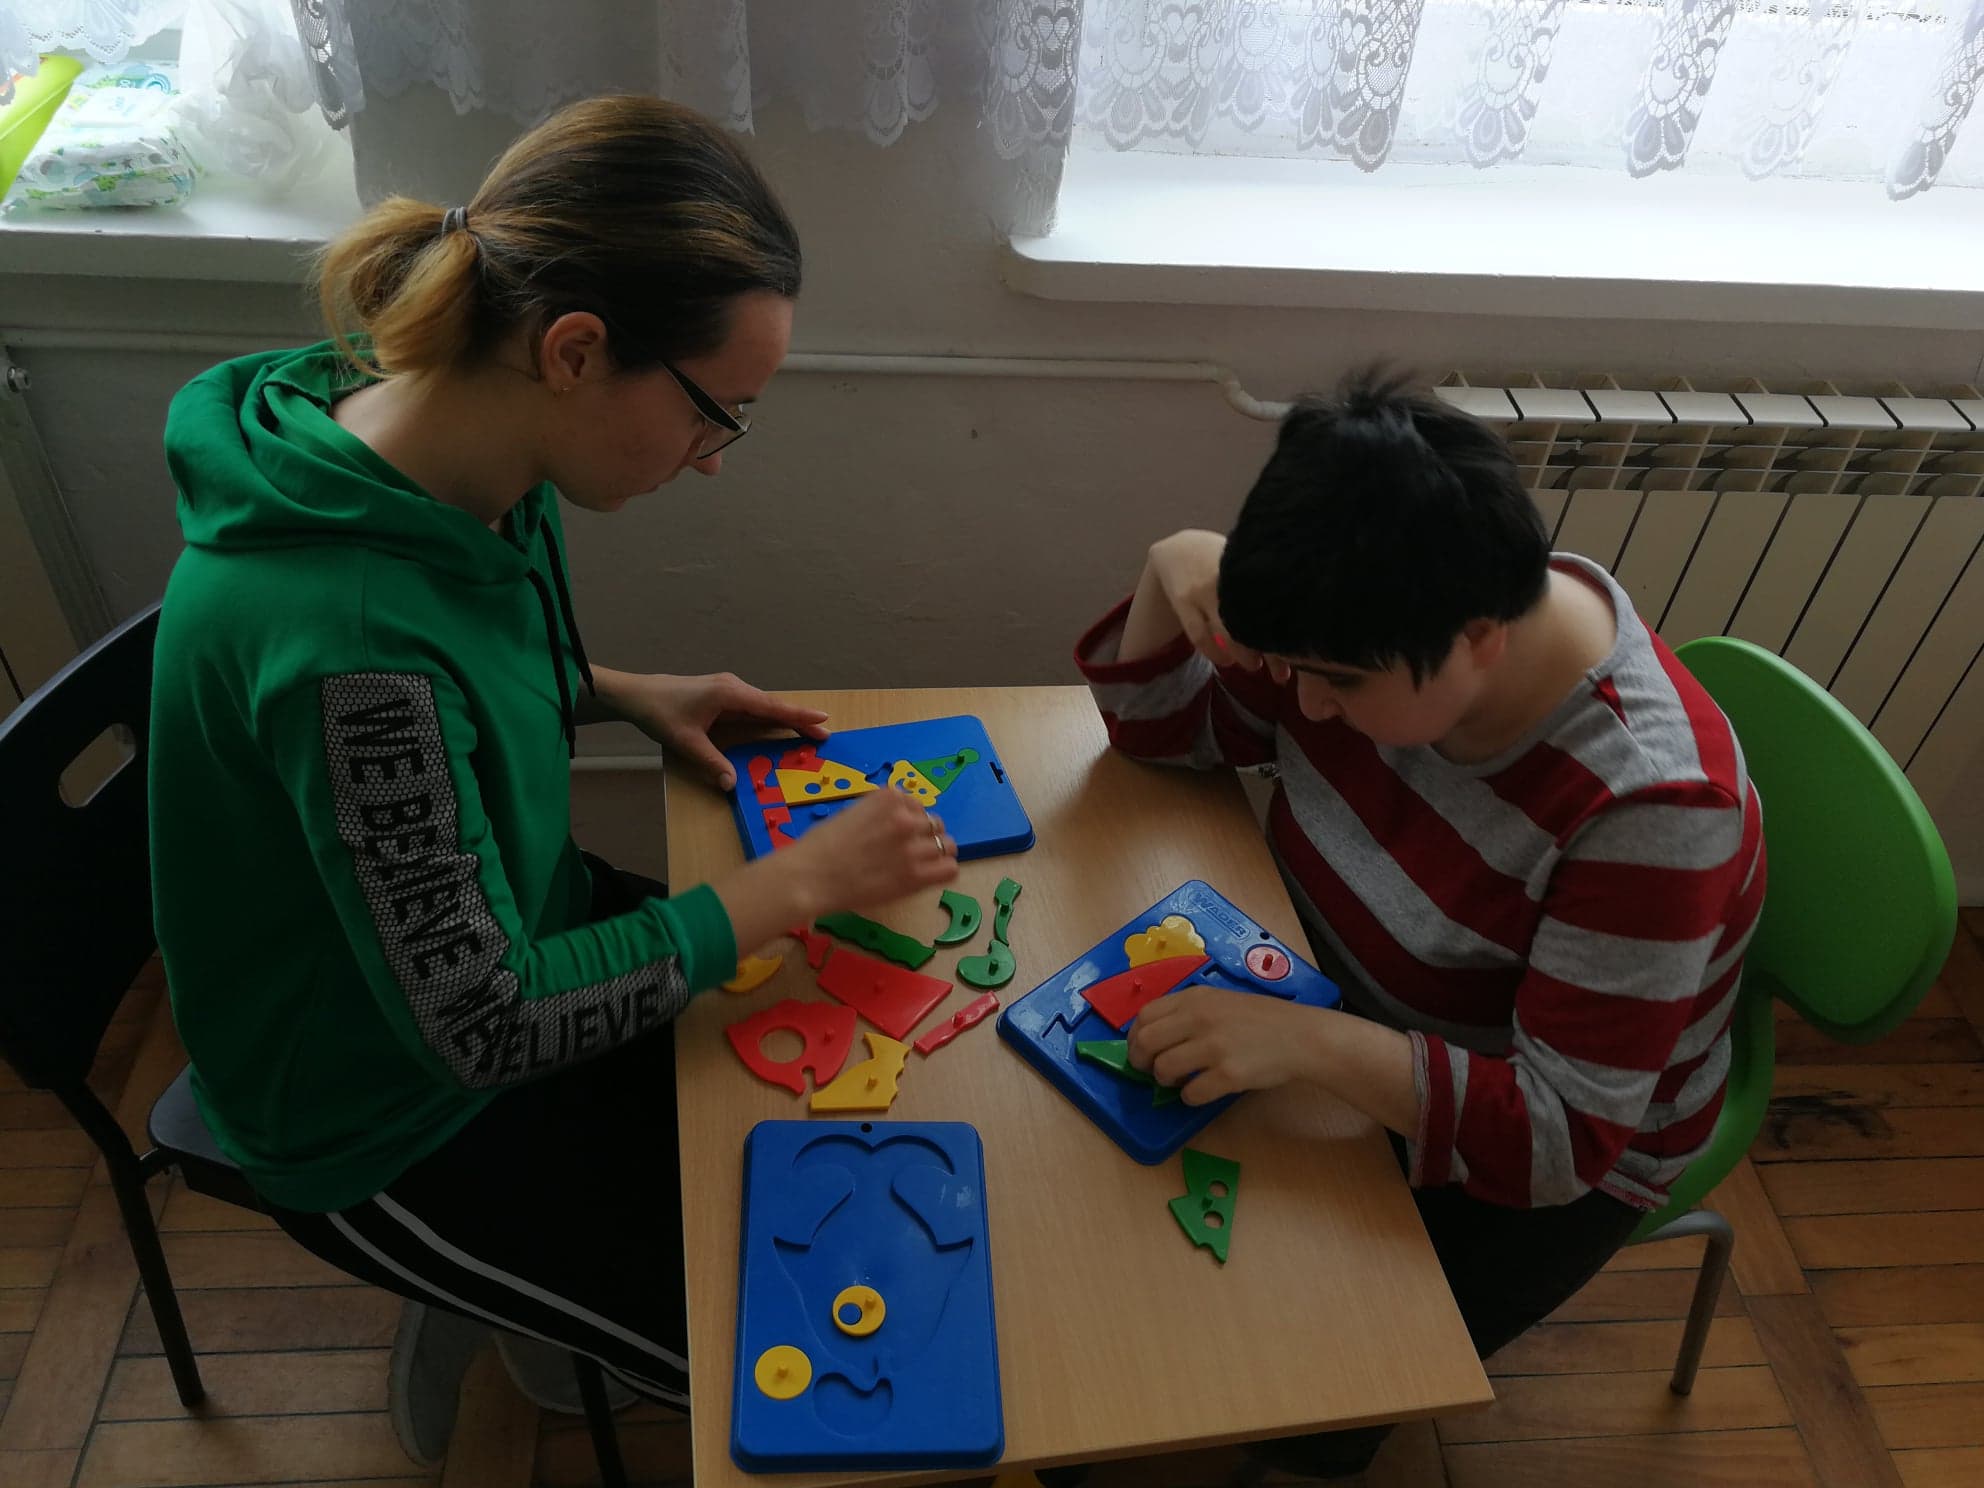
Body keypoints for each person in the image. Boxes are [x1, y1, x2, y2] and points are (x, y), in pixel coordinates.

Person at [148, 94, 959, 1463]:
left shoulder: (430, 433)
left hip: (502, 937)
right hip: (384, 1113)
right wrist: (796, 881)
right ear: (576, 349)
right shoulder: (351, 644)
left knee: (825, 1084)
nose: (713, 460)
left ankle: (540, 1297)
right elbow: (486, 1025)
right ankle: (519, 1300)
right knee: (800, 1374)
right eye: (718, 413)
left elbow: (442, 677)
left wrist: (619, 689)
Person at [1074, 371, 1765, 1483]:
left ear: (1480, 638)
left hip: (1549, 1142)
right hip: (1343, 997)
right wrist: (1171, 569)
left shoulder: (1652, 809)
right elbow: (1167, 738)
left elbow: (1558, 1140)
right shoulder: (1374, 622)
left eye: (1335, 683)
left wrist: (1308, 1042)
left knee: (1308, 1389)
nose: (1304, 708)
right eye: (1296, 670)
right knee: (1118, 1237)